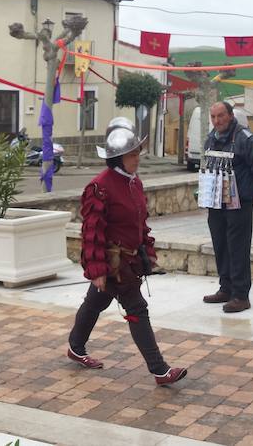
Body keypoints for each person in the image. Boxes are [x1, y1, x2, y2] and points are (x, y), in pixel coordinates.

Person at [67, 119, 187, 386]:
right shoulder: (99, 187)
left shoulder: (135, 183)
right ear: (118, 158)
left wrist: (147, 251)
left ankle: (75, 346)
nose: (137, 158)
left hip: (130, 261)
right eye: (132, 154)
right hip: (114, 264)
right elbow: (91, 232)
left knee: (95, 303)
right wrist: (96, 270)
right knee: (137, 308)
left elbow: (139, 223)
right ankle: (159, 370)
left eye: (137, 152)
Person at [202, 101, 253, 313]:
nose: (217, 121)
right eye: (213, 117)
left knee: (238, 248)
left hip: (239, 203)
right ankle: (226, 288)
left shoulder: (246, 139)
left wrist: (252, 190)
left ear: (231, 115)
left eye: (221, 116)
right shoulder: (210, 139)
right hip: (216, 203)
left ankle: (241, 295)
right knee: (220, 245)